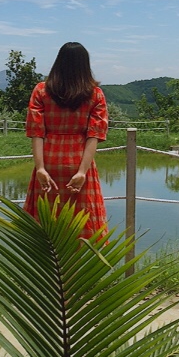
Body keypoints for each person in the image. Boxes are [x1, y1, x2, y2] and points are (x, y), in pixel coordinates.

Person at [23, 42, 109, 238]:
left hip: (49, 162)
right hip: (79, 162)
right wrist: (81, 172)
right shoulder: (95, 94)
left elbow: (37, 132)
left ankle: (48, 267)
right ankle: (83, 265)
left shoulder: (41, 91)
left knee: (46, 223)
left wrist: (40, 168)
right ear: (84, 65)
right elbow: (94, 135)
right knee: (82, 220)